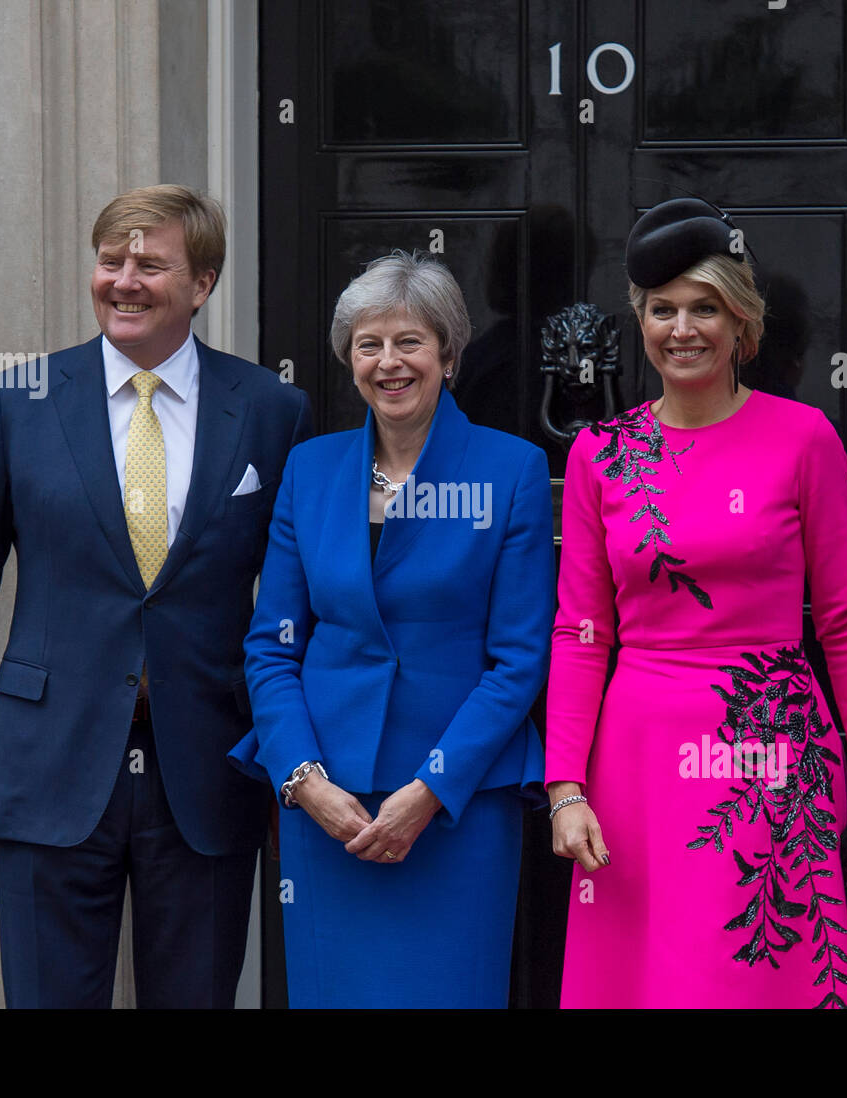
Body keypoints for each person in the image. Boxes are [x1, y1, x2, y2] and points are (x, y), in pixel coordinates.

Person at [545, 198, 847, 1008]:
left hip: (772, 754)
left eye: (706, 308)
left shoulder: (804, 438)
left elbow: (842, 618)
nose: (682, 328)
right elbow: (582, 632)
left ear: (742, 325)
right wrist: (566, 789)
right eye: (663, 310)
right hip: (635, 762)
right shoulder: (602, 452)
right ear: (642, 322)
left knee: (753, 980)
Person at [0, 184, 311, 1007]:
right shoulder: (20, 403)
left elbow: (296, 603)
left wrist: (295, 759)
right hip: (46, 765)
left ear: (202, 284)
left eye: (150, 264)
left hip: (208, 770)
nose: (124, 280)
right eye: (110, 261)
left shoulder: (272, 412)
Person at [229, 250, 553, 1007]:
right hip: (329, 806)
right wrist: (305, 781)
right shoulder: (310, 471)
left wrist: (430, 791)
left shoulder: (511, 471)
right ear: (349, 361)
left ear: (448, 352)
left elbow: (517, 660)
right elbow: (271, 648)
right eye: (369, 344)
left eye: (409, 341)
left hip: (456, 808)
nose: (389, 362)